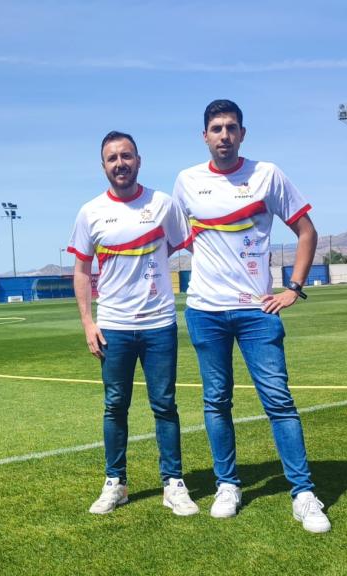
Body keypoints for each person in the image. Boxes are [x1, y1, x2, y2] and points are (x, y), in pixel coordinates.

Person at [172, 100, 331, 532]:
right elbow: (177, 238)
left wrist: (293, 289)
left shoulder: (267, 175)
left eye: (231, 128)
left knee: (278, 401)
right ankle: (228, 484)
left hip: (257, 311)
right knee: (215, 401)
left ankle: (303, 493)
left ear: (243, 134)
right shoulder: (186, 182)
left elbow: (306, 231)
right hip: (205, 311)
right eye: (216, 128)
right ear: (204, 136)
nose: (224, 135)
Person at [68, 131, 198, 516]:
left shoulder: (162, 204)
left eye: (126, 156)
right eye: (112, 158)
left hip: (159, 323)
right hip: (114, 326)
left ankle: (173, 483)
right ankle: (116, 483)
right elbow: (80, 270)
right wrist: (88, 322)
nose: (120, 163)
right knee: (114, 406)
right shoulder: (90, 212)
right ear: (103, 166)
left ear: (139, 161)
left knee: (165, 405)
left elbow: (185, 245)